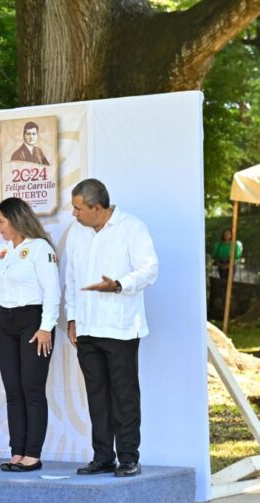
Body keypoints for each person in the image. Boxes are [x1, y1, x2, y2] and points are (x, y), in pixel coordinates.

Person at [65, 179, 158, 477]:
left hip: (120, 329)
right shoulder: (76, 233)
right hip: (87, 328)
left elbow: (149, 269)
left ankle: (129, 457)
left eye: (78, 208)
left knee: (124, 395)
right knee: (96, 395)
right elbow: (71, 278)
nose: (74, 214)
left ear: (97, 207)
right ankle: (103, 456)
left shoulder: (132, 227)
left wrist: (119, 285)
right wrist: (72, 319)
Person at [0, 197, 60, 473]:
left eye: (1, 221)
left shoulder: (39, 248)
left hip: (32, 321)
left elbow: (52, 289)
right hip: (5, 322)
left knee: (32, 388)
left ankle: (32, 454)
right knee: (13, 390)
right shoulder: (3, 251)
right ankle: (17, 451)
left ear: (16, 220)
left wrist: (45, 327)